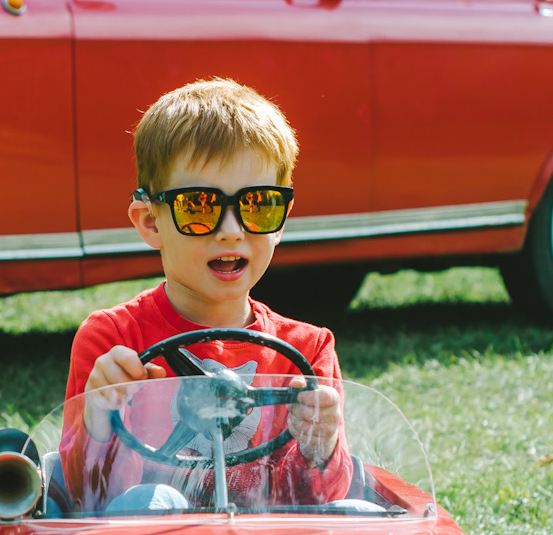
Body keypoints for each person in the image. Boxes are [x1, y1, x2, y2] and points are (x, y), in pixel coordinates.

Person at [62, 78, 349, 511]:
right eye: (198, 206)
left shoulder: (308, 350)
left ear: (283, 218)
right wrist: (101, 418)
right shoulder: (114, 342)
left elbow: (318, 501)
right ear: (151, 222)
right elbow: (88, 495)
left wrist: (320, 444)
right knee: (152, 502)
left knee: (356, 516)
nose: (231, 230)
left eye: (258, 205)